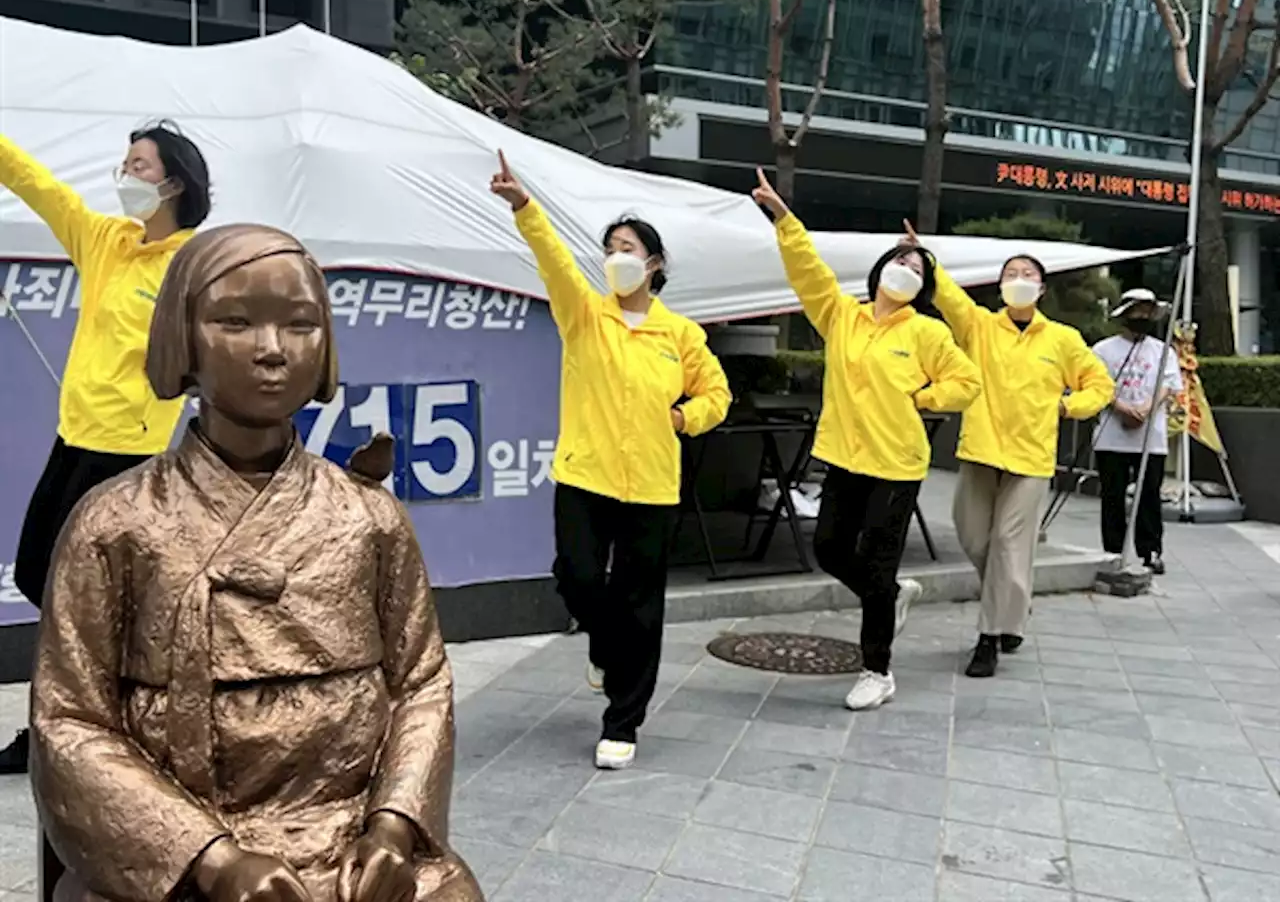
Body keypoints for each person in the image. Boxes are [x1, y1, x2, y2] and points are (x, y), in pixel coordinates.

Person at [30, 223, 482, 902]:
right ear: (184, 338)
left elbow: (420, 683)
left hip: (350, 844)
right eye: (235, 322)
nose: (272, 350)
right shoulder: (114, 522)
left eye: (299, 325)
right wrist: (210, 859)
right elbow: (69, 721)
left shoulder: (371, 518)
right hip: (183, 850)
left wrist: (392, 829)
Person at [490, 151, 730, 770]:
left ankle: (623, 721)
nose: (616, 256)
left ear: (654, 264)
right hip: (585, 474)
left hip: (652, 483)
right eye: (610, 247)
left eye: (628, 247)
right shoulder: (585, 316)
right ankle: (603, 644)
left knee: (640, 604)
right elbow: (553, 261)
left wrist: (684, 418)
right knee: (576, 575)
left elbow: (717, 395)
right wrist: (524, 207)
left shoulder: (681, 334)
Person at [0, 121, 211, 773]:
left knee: (79, 598)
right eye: (125, 164)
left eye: (140, 166)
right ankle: (109, 707)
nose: (126, 177)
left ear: (172, 182)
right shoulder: (104, 240)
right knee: (40, 575)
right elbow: (38, 185)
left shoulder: (193, 264)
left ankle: (64, 733)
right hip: (74, 440)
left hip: (130, 455)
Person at [752, 171, 982, 710]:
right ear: (880, 270)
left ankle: (877, 669)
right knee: (829, 548)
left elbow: (966, 382)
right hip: (842, 456)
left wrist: (922, 399)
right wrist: (785, 220)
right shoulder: (843, 317)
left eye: (917, 267)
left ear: (924, 287)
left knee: (878, 566)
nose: (906, 270)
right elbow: (809, 273)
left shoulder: (927, 332)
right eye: (900, 261)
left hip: (897, 464)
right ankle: (893, 596)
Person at [921, 230, 1115, 678]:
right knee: (973, 537)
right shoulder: (980, 327)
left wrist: (1069, 406)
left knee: (1010, 544)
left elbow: (1100, 385)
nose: (1019, 279)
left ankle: (989, 637)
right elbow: (949, 299)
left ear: (1042, 288)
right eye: (1011, 273)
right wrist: (924, 260)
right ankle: (1013, 608)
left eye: (1028, 274)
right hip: (981, 450)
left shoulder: (1062, 339)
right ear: (1001, 284)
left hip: (1030, 459)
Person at [1092, 288, 1181, 575]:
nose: (1143, 316)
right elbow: (1096, 386)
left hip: (1150, 437)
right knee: (1112, 495)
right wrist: (1122, 408)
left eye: (1148, 311)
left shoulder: (1163, 350)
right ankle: (1112, 551)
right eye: (1138, 310)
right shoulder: (1103, 350)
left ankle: (1150, 550)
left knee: (1149, 496)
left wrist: (1145, 408)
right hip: (1111, 435)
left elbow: (1169, 385)